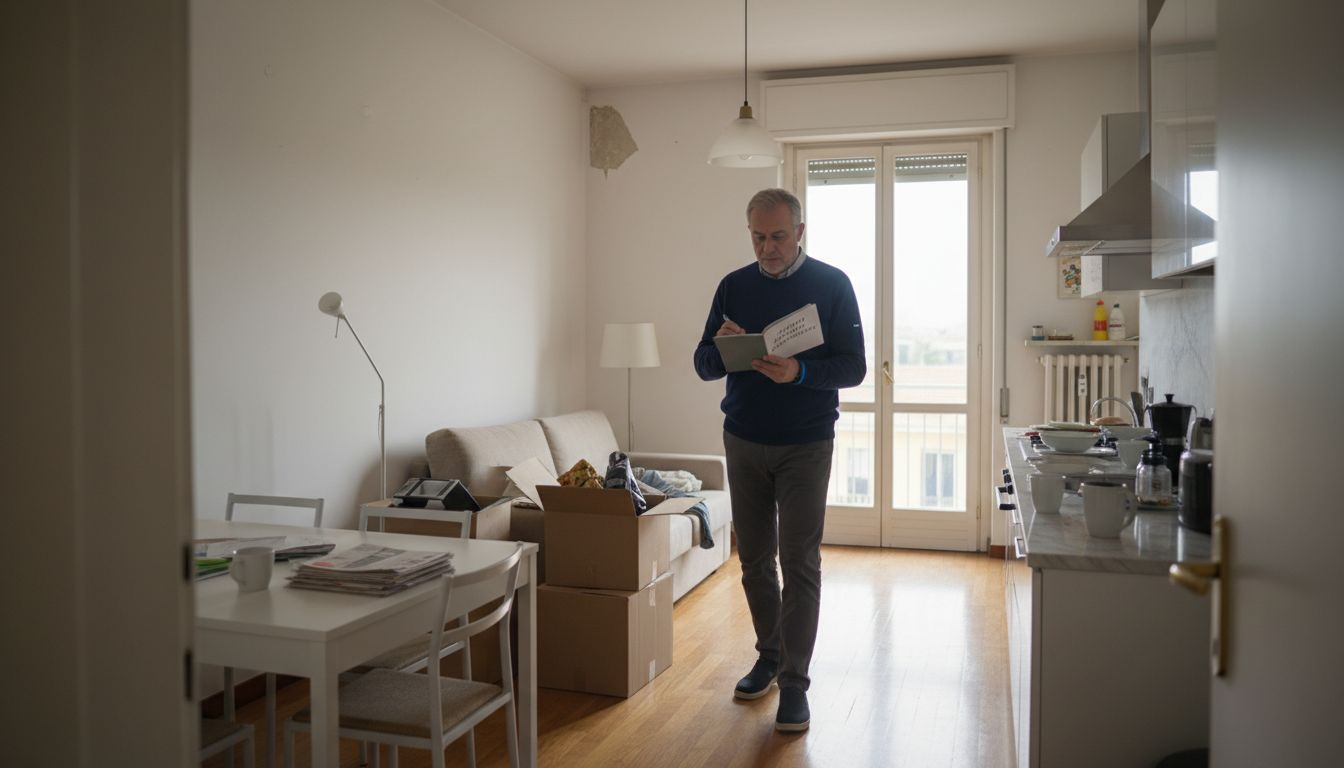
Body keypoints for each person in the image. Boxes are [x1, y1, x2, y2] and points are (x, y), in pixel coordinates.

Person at [693, 188, 866, 732]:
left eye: (778, 236)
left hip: (806, 443)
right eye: (758, 237)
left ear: (800, 232)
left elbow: (854, 368)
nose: (767, 248)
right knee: (754, 560)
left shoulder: (833, 284)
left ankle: (795, 683)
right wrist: (722, 349)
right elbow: (701, 365)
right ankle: (768, 656)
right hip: (742, 440)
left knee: (800, 562)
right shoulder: (733, 286)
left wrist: (802, 374)